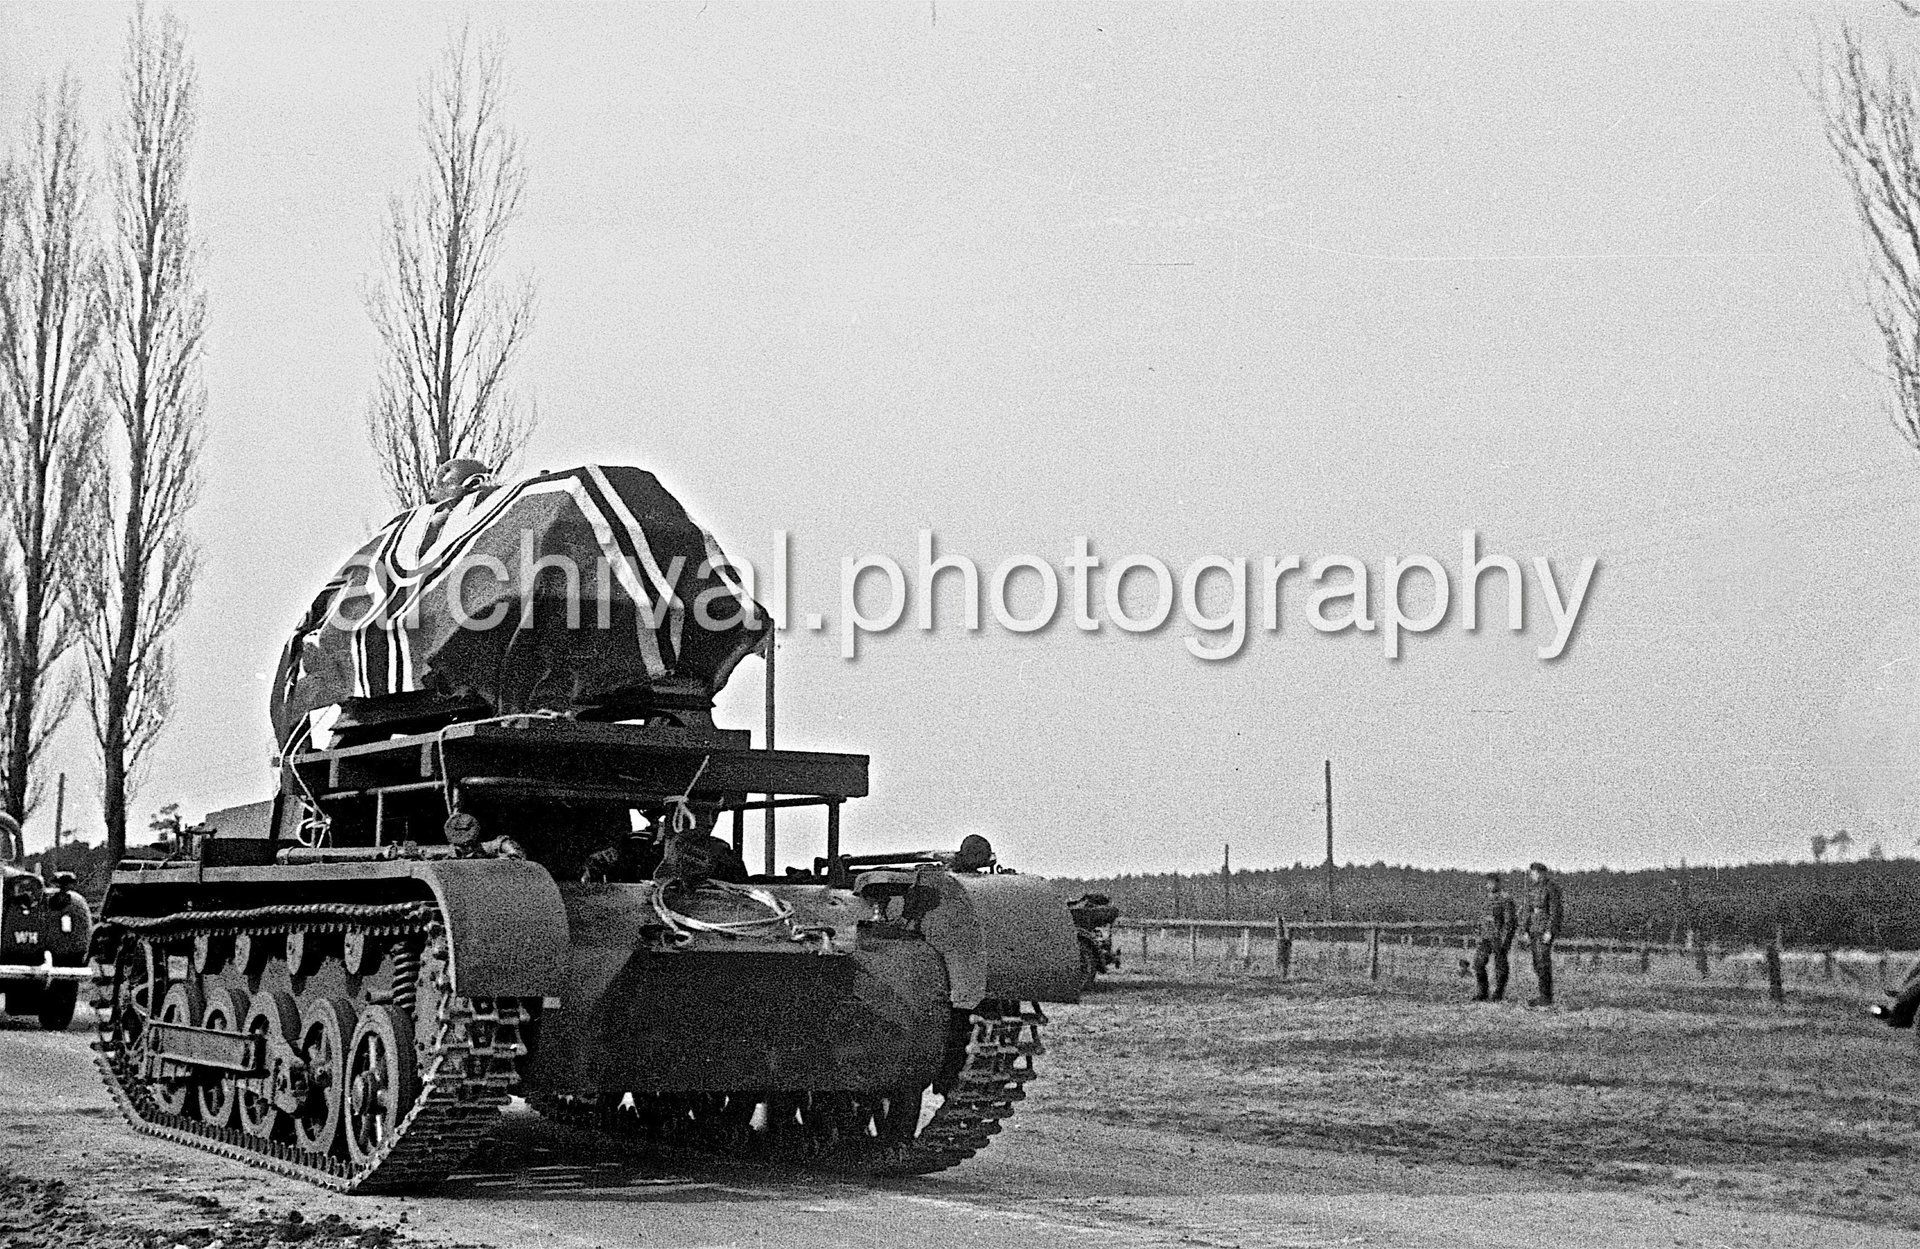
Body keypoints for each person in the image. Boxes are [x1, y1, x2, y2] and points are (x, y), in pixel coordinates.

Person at [1521, 861, 1565, 1007]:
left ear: (1542, 873)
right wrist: (1525, 929)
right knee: (1537, 963)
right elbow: (1527, 910)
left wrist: (1550, 931)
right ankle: (1543, 996)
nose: (1533, 875)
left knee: (1543, 963)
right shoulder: (1531, 889)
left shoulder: (1551, 888)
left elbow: (1555, 911)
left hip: (1544, 929)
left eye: (1536, 873)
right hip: (1533, 928)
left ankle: (1546, 998)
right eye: (1532, 873)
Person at [1470, 872, 1517, 1002]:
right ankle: (1482, 992)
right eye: (1488, 883)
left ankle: (1498, 994)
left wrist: (1505, 939)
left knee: (1500, 966)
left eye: (1493, 882)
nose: (1490, 885)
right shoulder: (1486, 900)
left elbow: (1510, 922)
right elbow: (1482, 920)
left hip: (1498, 938)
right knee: (1478, 963)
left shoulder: (1505, 899)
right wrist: (1478, 934)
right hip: (1485, 937)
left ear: (1498, 883)